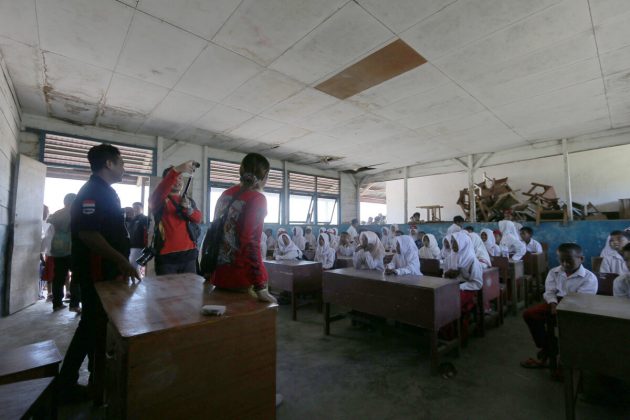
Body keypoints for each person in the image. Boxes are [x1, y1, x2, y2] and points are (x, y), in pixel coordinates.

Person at [57, 144, 140, 403]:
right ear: (108, 164)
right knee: (91, 324)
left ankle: (94, 378)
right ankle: (67, 384)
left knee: (97, 325)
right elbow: (89, 234)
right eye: (121, 163)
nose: (124, 168)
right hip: (97, 272)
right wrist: (122, 261)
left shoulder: (104, 191)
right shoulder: (92, 192)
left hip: (106, 271)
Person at [206, 153, 282, 407]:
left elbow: (214, 235)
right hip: (242, 279)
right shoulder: (257, 198)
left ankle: (226, 392)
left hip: (219, 276)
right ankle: (256, 396)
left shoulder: (225, 194)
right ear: (265, 176)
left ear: (240, 171)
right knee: (252, 343)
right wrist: (260, 284)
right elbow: (250, 242)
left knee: (227, 341)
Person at [520, 243, 597, 373]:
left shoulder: (589, 278)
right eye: (562, 260)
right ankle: (549, 347)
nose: (565, 264)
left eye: (569, 260)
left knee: (570, 329)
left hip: (577, 309)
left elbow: (582, 300)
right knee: (530, 314)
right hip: (555, 303)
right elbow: (549, 292)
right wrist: (553, 304)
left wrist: (562, 308)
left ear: (581, 259)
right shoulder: (554, 272)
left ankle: (566, 359)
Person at [149, 162, 202, 275]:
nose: (178, 181)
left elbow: (198, 218)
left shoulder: (188, 201)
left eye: (180, 178)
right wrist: (177, 170)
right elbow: (162, 188)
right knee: (168, 287)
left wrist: (188, 209)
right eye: (175, 178)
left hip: (189, 255)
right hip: (167, 258)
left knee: (190, 287)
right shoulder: (159, 200)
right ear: (166, 181)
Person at [443, 232, 483, 339]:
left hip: (468, 289)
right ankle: (446, 332)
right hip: (453, 287)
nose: (452, 244)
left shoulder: (472, 260)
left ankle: (457, 333)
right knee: (438, 299)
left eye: (455, 242)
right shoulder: (451, 257)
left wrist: (460, 287)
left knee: (450, 302)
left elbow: (478, 284)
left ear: (463, 243)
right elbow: (445, 274)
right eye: (451, 242)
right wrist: (447, 274)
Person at [47, 193, 79, 312]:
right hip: (71, 248)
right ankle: (74, 304)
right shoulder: (75, 213)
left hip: (57, 248)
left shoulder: (57, 213)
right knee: (77, 275)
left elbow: (50, 226)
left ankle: (57, 303)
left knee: (59, 277)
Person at [127, 202, 148, 272]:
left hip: (139, 247)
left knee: (134, 268)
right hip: (130, 247)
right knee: (131, 267)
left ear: (142, 209)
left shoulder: (145, 219)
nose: (135, 209)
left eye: (137, 208)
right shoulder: (130, 220)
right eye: (133, 208)